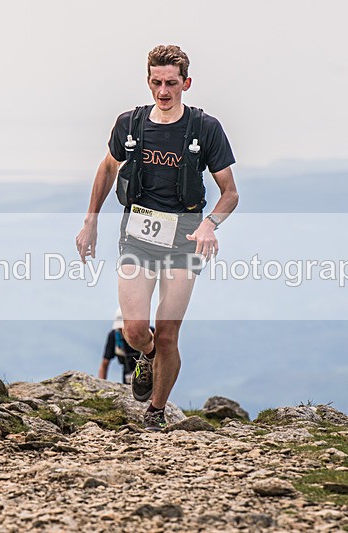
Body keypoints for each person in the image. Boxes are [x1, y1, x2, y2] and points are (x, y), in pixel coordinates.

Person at [76, 45, 238, 430]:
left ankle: (155, 413)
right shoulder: (129, 125)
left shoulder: (205, 128)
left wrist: (209, 224)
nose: (163, 91)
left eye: (171, 83)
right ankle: (144, 356)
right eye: (156, 82)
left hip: (185, 238)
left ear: (186, 82)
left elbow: (230, 192)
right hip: (137, 236)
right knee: (134, 330)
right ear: (148, 81)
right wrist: (91, 221)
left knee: (167, 333)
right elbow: (107, 169)